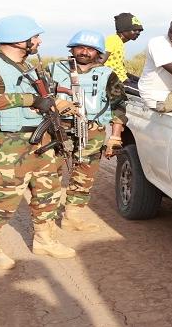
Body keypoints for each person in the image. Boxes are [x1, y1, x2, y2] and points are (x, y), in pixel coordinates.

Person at [0, 15, 77, 269]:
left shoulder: (28, 66)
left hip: (42, 139)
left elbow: (42, 97)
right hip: (8, 143)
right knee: (2, 196)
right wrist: (29, 100)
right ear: (18, 39)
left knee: (48, 190)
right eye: (35, 37)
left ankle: (45, 240)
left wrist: (56, 103)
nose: (39, 41)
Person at [51, 30, 127, 231]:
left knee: (84, 174)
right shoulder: (54, 69)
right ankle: (46, 219)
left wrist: (115, 136)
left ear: (98, 52)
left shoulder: (107, 74)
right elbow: (38, 97)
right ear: (72, 49)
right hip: (57, 128)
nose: (84, 52)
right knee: (49, 174)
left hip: (91, 130)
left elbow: (118, 106)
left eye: (90, 49)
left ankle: (72, 217)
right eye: (80, 47)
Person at [103, 13, 144, 82]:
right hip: (115, 83)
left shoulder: (119, 42)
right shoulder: (113, 40)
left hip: (122, 80)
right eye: (134, 30)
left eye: (139, 30)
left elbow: (120, 70)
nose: (138, 33)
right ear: (123, 30)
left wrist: (139, 80)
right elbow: (100, 62)